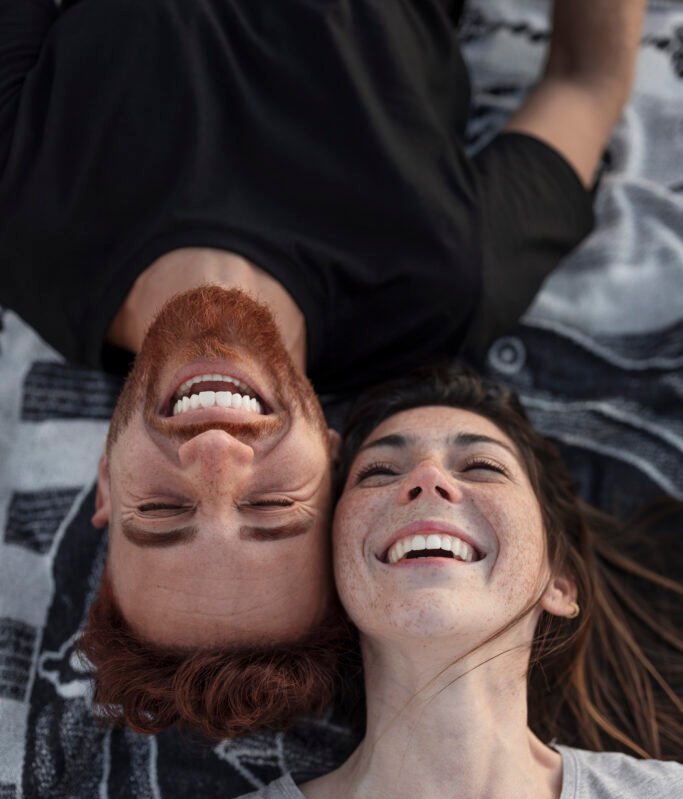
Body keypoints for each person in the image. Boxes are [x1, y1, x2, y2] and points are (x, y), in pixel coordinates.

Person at [0, 0, 646, 656]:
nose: (216, 454)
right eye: (271, 508)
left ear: (108, 481)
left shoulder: (19, 225)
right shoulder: (439, 284)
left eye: (164, 512)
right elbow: (585, 80)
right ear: (335, 466)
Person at [95, 364, 683, 799]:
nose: (426, 479)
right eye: (377, 472)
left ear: (560, 583)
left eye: (482, 467)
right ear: (333, 576)